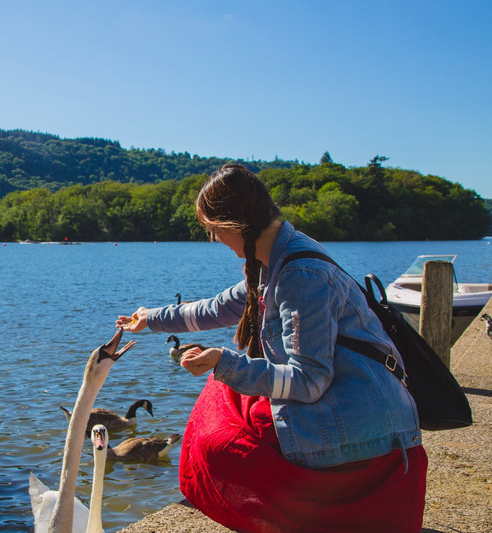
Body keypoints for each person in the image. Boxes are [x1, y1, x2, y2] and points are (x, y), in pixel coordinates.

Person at [116, 164, 427, 532]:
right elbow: (217, 308)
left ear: (235, 224)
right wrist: (150, 318)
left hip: (366, 434)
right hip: (347, 407)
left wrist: (224, 362)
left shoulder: (298, 275)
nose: (214, 240)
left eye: (213, 230)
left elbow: (309, 381)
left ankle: (294, 515)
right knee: (224, 398)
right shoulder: (275, 257)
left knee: (217, 440)